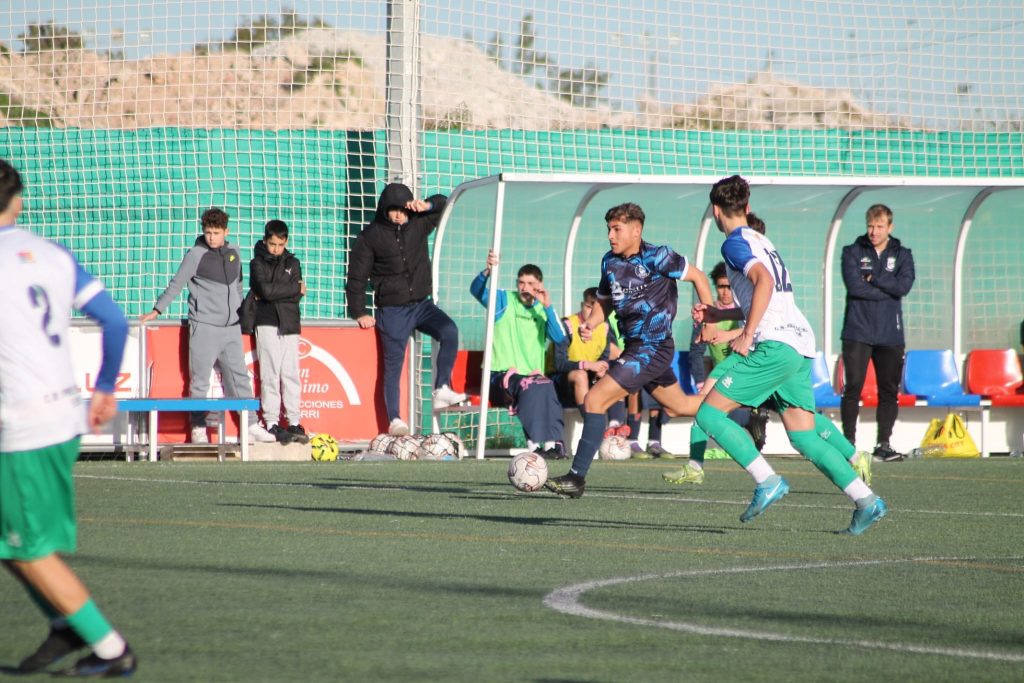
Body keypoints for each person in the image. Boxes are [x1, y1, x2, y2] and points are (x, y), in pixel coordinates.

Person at [0, 159, 138, 676]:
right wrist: (104, 387)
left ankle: (110, 648)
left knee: (29, 550)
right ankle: (64, 626)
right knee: (9, 541)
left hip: (25, 426)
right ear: (18, 202)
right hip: (62, 416)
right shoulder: (54, 254)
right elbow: (115, 321)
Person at [692, 175, 885, 535]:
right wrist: (721, 313)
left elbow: (764, 283)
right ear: (747, 207)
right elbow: (768, 295)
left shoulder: (734, 243)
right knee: (804, 435)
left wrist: (746, 334)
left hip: (775, 344)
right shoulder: (762, 240)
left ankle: (766, 480)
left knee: (708, 413)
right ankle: (866, 500)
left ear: (716, 211)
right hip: (798, 343)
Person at [544, 202, 714, 497]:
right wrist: (591, 324)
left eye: (616, 229)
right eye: (608, 229)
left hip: (653, 348)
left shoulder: (659, 256)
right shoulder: (609, 262)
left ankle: (576, 478)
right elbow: (605, 302)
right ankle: (736, 406)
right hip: (635, 348)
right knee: (679, 406)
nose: (610, 235)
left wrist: (709, 320)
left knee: (594, 399)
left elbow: (699, 277)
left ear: (636, 230)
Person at [140, 207, 273, 444]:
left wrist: (240, 314)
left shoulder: (234, 251)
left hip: (231, 328)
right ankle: (198, 428)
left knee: (240, 378)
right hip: (204, 327)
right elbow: (176, 283)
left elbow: (238, 285)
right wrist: (157, 310)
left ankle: (251, 425)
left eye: (216, 232)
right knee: (200, 381)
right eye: (208, 232)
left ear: (226, 232)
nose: (211, 237)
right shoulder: (195, 255)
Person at [345, 183, 465, 436]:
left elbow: (445, 203)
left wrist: (427, 205)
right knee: (393, 367)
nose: (399, 215)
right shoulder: (370, 236)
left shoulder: (419, 223)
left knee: (449, 331)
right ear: (384, 210)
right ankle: (395, 420)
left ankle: (442, 388)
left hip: (422, 304)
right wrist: (359, 311)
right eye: (393, 210)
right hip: (392, 310)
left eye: (402, 209)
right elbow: (356, 277)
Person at [471, 251, 567, 458]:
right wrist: (487, 271)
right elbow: (476, 290)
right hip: (498, 376)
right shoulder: (503, 300)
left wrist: (548, 306)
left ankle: (553, 445)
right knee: (528, 385)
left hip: (531, 378)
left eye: (530, 283)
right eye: (521, 283)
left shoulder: (542, 310)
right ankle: (534, 447)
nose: (525, 288)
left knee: (546, 385)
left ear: (540, 285)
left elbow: (560, 337)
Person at [840, 204, 915, 462]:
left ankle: (883, 445)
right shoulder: (852, 251)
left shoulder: (903, 254)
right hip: (857, 332)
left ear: (890, 227)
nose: (874, 232)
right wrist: (888, 290)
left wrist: (875, 279)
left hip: (890, 334)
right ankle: (848, 445)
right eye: (870, 226)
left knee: (888, 391)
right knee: (853, 388)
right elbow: (855, 287)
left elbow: (903, 287)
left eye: (880, 226)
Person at [248, 219, 309, 445]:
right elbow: (265, 291)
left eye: (280, 245)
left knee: (290, 374)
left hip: (290, 323)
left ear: (286, 242)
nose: (276, 249)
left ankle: (294, 421)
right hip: (266, 322)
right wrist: (292, 288)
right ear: (265, 241)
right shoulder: (257, 263)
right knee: (270, 374)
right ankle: (272, 421)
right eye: (272, 244)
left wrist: (277, 291)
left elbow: (290, 295)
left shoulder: (293, 262)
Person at [548, 287, 628, 434]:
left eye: (596, 309)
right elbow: (559, 364)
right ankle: (595, 427)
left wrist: (602, 368)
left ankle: (615, 426)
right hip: (559, 380)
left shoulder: (604, 327)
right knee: (580, 375)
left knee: (617, 374)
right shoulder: (567, 325)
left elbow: (603, 357)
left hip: (587, 376)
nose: (591, 313)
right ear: (581, 305)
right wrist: (587, 365)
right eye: (588, 307)